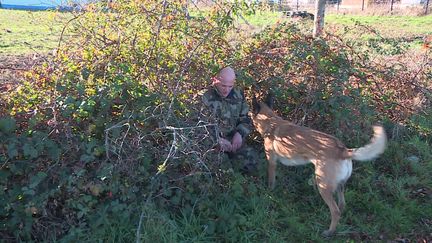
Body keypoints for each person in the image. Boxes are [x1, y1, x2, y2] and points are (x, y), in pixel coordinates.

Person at [200, 67, 257, 173]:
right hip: (212, 143)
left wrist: (239, 134)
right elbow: (199, 127)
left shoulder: (238, 94)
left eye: (230, 86)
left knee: (251, 161)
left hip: (233, 141)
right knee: (223, 172)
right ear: (215, 80)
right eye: (223, 85)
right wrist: (217, 140)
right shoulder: (205, 97)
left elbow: (245, 118)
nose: (226, 90)